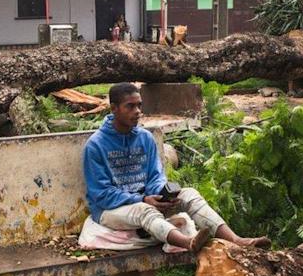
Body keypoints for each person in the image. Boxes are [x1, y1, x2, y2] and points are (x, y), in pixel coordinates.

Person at [79, 83, 271, 253]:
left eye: (139, 105)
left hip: (146, 201)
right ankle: (189, 243)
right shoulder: (95, 146)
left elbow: (155, 176)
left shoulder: (145, 138)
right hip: (108, 211)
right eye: (130, 106)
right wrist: (142, 199)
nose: (137, 111)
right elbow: (101, 194)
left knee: (189, 194)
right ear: (114, 109)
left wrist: (162, 196)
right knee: (144, 211)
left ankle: (237, 240)